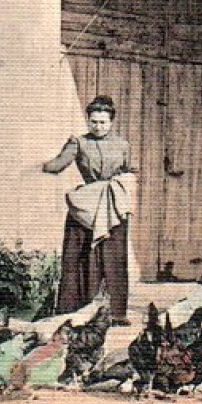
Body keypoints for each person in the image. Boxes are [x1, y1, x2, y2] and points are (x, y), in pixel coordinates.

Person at [43, 95, 135, 322]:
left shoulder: (123, 145)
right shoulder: (78, 143)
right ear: (88, 120)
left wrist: (123, 185)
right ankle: (73, 310)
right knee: (79, 256)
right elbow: (58, 164)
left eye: (103, 122)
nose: (98, 126)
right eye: (93, 122)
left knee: (114, 259)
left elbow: (129, 171)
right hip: (86, 209)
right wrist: (40, 165)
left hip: (112, 208)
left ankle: (115, 313)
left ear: (111, 121)